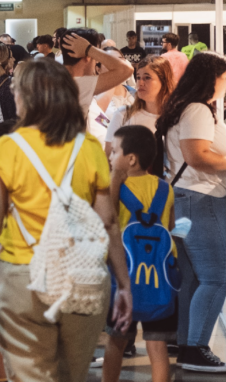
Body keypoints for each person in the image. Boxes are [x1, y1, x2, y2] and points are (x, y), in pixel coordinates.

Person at [0, 59, 132, 382]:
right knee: (72, 375)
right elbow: (107, 223)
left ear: (28, 97)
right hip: (82, 276)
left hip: (22, 277)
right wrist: (123, 284)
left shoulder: (5, 149)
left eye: (16, 90)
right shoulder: (89, 147)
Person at [155, 52, 226, 373]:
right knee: (217, 277)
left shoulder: (184, 108)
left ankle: (187, 344)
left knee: (195, 279)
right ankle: (195, 347)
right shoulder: (198, 109)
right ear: (214, 77)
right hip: (202, 199)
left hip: (184, 199)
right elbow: (197, 156)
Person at [103, 125, 176, 382]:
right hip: (159, 280)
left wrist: (113, 179)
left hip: (125, 280)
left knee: (116, 344)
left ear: (130, 159)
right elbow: (169, 228)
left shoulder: (117, 186)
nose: (110, 157)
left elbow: (107, 218)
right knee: (158, 347)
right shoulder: (165, 189)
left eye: (114, 152)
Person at [104, 56, 174, 157]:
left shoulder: (176, 118)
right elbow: (108, 156)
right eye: (138, 77)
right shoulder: (123, 114)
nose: (140, 83)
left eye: (147, 78)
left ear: (163, 81)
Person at [60, 28, 134, 116]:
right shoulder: (80, 84)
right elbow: (126, 70)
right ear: (88, 57)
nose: (97, 62)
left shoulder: (57, 79)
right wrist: (89, 49)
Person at [95, 47, 136, 119]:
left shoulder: (134, 94)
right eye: (110, 60)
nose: (117, 65)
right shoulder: (94, 98)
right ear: (98, 69)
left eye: (120, 60)